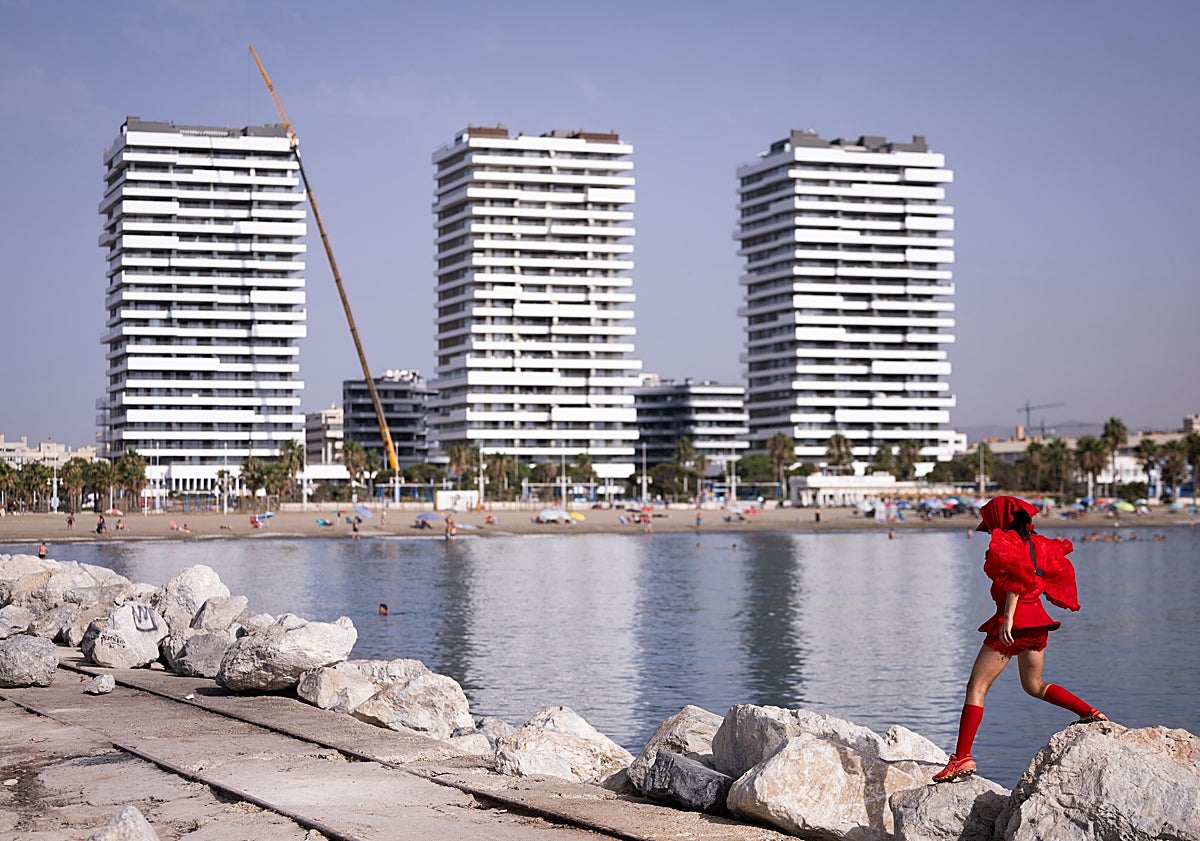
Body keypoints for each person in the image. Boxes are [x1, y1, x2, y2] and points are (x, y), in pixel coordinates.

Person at [934, 495, 1106, 783]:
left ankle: (961, 757)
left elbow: (1016, 581)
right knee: (1034, 685)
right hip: (1037, 623)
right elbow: (1045, 574)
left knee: (976, 687)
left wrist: (1010, 618)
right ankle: (1089, 712)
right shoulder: (1040, 544)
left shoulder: (1006, 544)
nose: (989, 531)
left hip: (1012, 624)